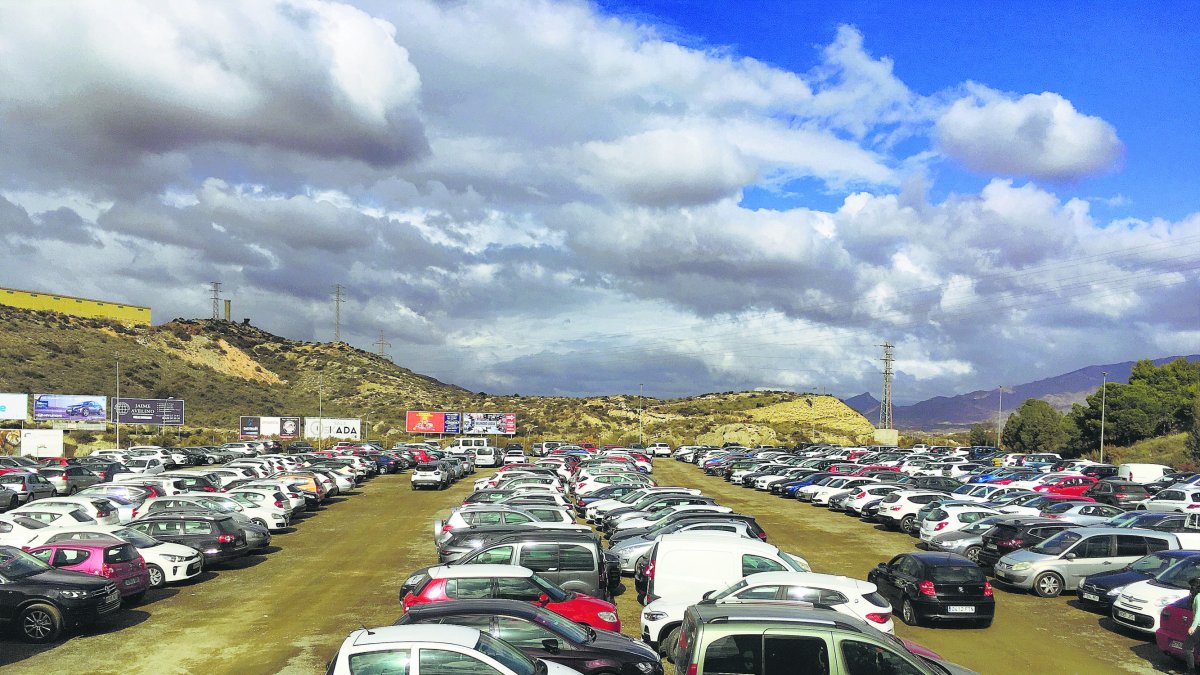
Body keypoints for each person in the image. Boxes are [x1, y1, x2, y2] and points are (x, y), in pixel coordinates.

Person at [1186, 577, 1200, 672]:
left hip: (1198, 627)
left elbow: (1199, 613)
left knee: (1187, 648)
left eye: (1192, 587)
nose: (1190, 590)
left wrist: (1193, 627)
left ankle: (1191, 671)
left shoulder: (1198, 597)